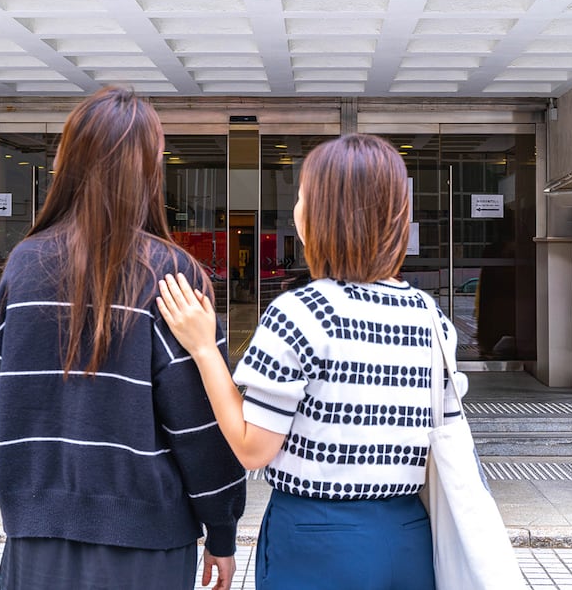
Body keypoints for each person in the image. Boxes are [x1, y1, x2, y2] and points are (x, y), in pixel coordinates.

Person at [0, 86, 245, 590]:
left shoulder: (23, 265)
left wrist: (27, 501)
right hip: (147, 541)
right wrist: (221, 529)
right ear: (147, 169)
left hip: (35, 534)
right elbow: (199, 423)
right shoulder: (170, 273)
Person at [157, 133, 444, 590]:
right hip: (410, 532)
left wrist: (205, 349)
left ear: (322, 216)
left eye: (301, 197)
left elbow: (252, 449)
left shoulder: (303, 312)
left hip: (317, 537)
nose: (296, 208)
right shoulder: (429, 316)